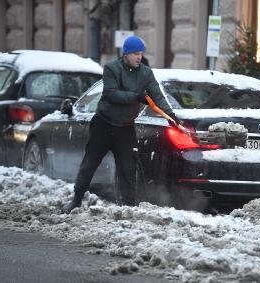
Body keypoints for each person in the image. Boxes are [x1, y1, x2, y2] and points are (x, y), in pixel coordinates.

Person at [62, 35, 179, 214]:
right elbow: (111, 93)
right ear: (126, 54)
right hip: (103, 125)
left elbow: (157, 94)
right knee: (90, 163)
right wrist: (136, 96)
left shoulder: (146, 73)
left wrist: (170, 115)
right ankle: (76, 199)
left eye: (141, 54)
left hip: (125, 128)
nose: (139, 57)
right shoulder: (111, 68)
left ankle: (128, 207)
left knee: (128, 169)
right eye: (135, 54)